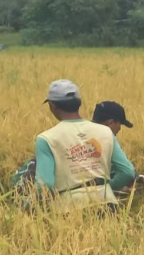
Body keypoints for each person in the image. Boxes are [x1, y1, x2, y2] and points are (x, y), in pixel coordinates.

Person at [28, 79, 137, 211]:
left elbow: (45, 186)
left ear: (52, 106)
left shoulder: (46, 139)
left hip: (69, 209)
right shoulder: (105, 132)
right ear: (79, 103)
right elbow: (127, 172)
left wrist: (28, 206)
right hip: (107, 203)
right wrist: (108, 188)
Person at [91, 101, 144, 194]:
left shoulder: (78, 133)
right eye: (120, 124)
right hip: (95, 197)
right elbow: (126, 172)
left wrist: (138, 178)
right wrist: (112, 189)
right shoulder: (107, 136)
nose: (119, 128)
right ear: (110, 123)